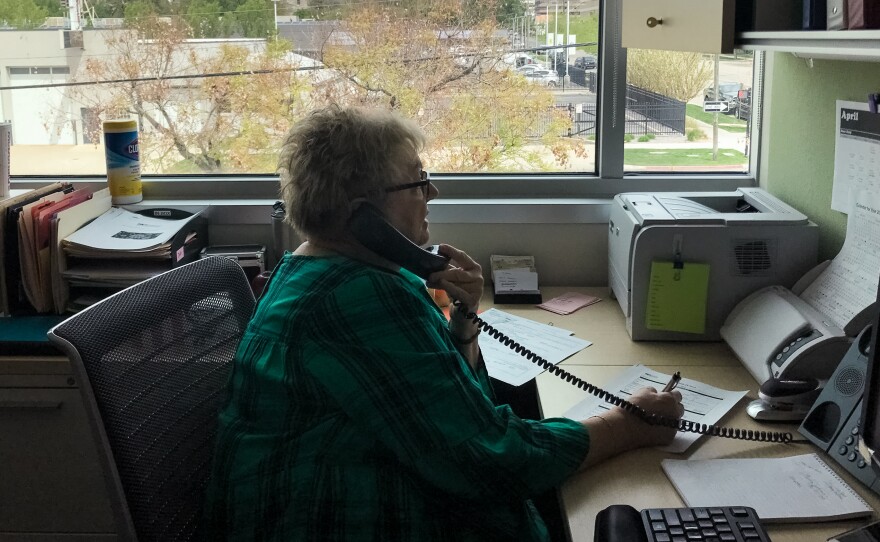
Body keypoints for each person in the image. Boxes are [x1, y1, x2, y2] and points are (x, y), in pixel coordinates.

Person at [204, 105, 684, 541]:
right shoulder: (357, 298)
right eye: (417, 181)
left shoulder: (325, 270)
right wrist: (628, 423)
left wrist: (463, 320)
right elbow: (491, 458)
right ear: (364, 217)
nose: (432, 192)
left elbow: (459, 411)